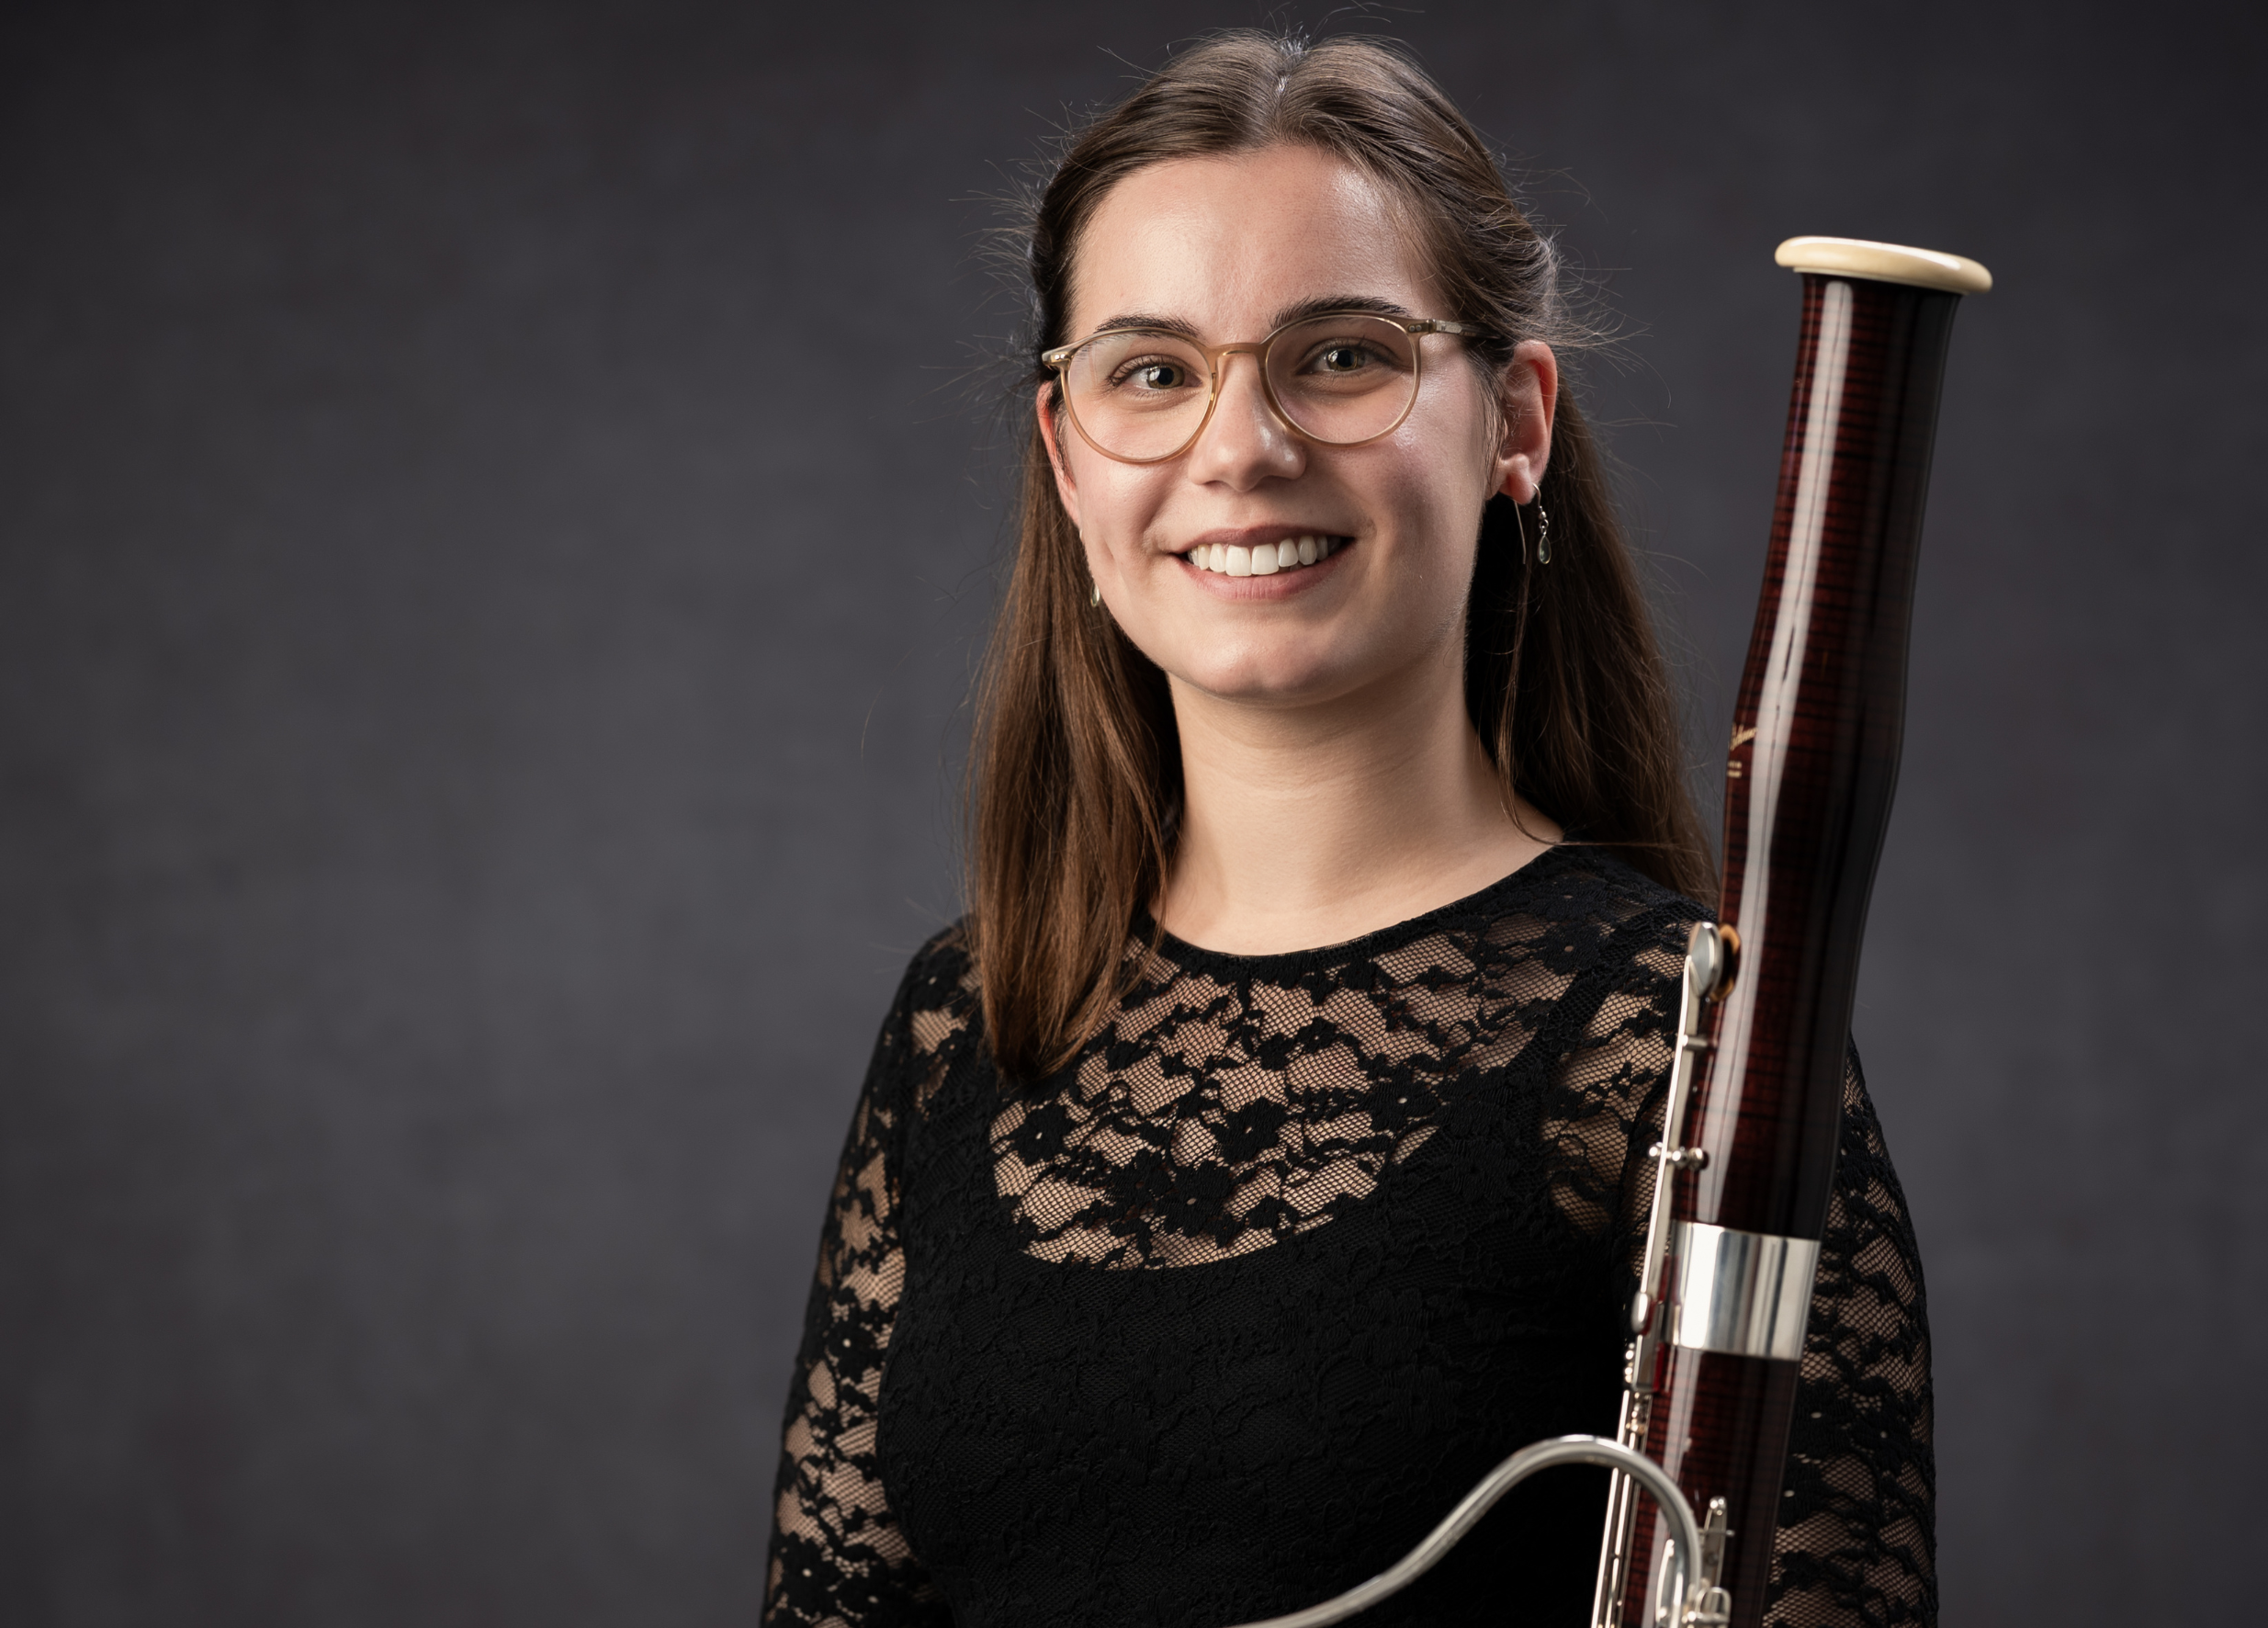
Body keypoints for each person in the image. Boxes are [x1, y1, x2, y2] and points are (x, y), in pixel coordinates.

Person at [764, 31, 1934, 1628]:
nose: (1238, 451)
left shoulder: (1686, 1052)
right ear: (1065, 457)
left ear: (1514, 421)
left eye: (1337, 355)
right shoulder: (963, 1023)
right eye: (1151, 371)